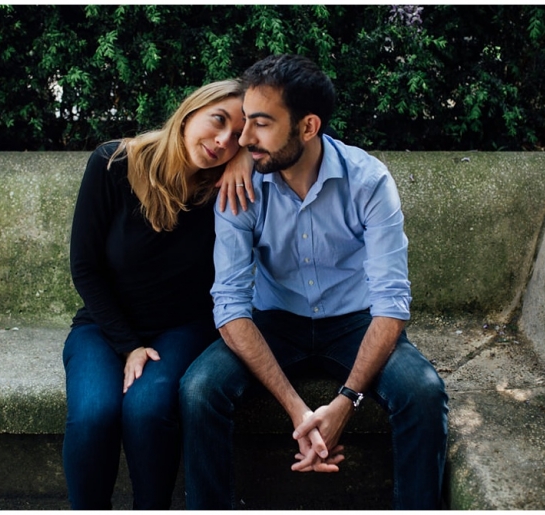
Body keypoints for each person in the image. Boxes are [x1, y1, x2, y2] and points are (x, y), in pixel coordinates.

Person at [179, 54, 449, 510]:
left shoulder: (368, 181)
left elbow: (391, 304)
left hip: (354, 322)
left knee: (423, 392)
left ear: (308, 127)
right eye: (246, 122)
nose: (243, 140)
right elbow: (229, 305)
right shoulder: (242, 185)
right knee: (198, 389)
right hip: (273, 320)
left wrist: (344, 402)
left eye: (260, 125)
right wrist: (298, 410)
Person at [62, 79, 252, 509]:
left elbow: (305, 136)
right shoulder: (113, 162)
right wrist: (128, 345)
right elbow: (85, 268)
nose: (223, 141)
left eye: (238, 136)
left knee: (146, 411)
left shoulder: (225, 185)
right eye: (218, 121)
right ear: (190, 112)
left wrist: (245, 160)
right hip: (103, 325)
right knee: (93, 415)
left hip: (182, 327)